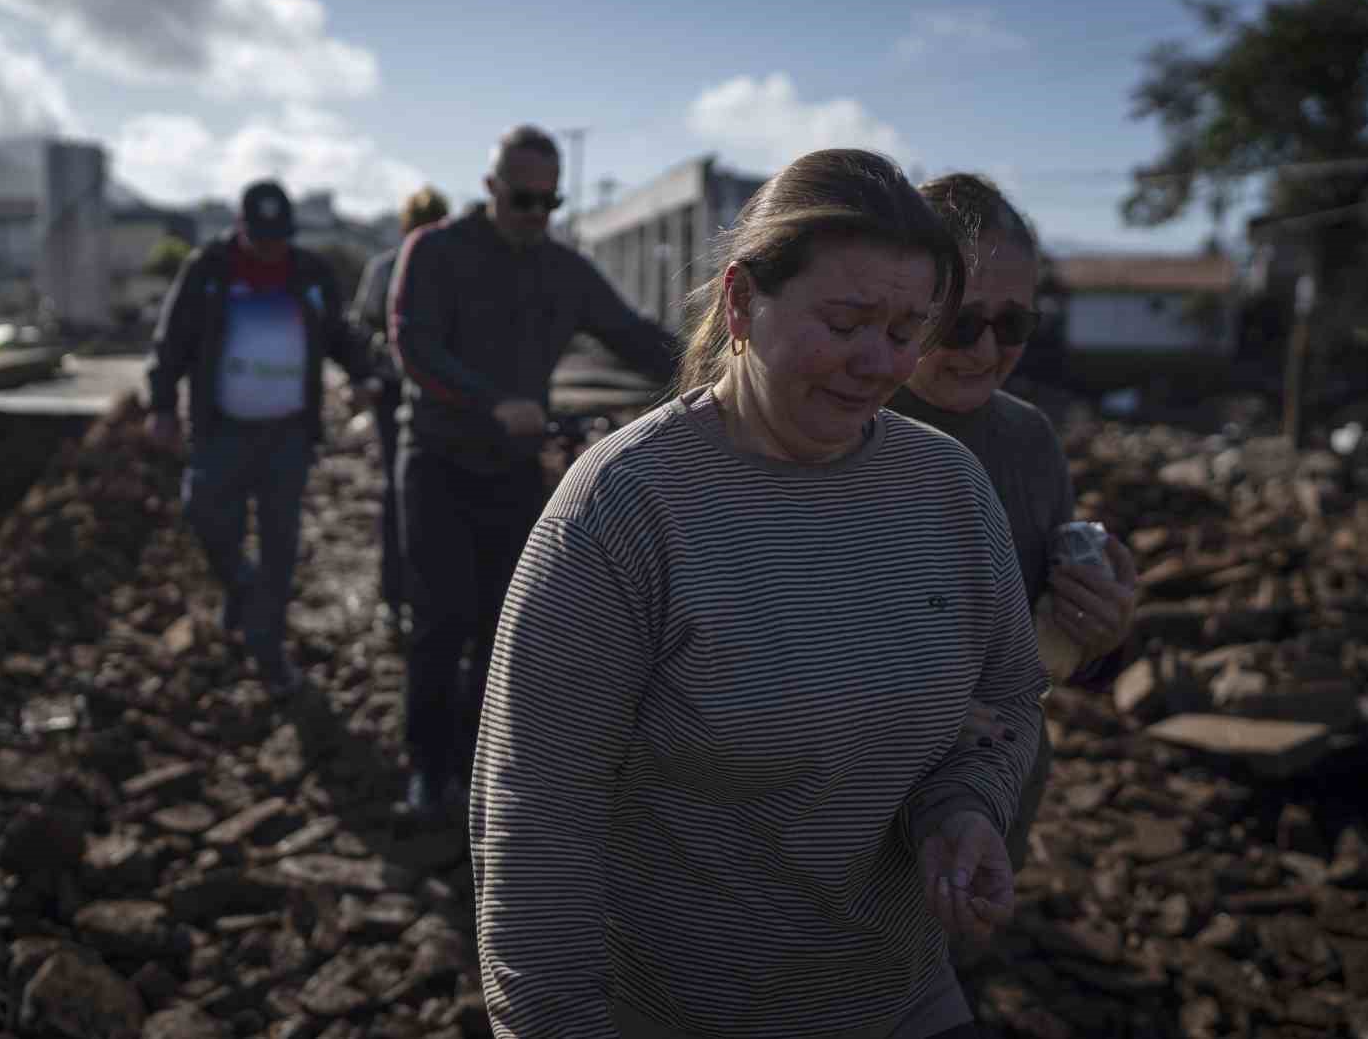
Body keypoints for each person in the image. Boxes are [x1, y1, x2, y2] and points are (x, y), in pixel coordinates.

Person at [469, 149, 1045, 1039]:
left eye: (905, 330)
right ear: (741, 302)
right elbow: (538, 819)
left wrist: (966, 809)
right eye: (846, 320)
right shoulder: (626, 509)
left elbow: (1005, 691)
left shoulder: (947, 491)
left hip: (894, 995)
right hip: (672, 1012)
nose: (876, 361)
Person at [389, 125, 679, 812]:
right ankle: (428, 769)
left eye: (550, 203)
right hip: (437, 462)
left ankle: (482, 763)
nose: (536, 216)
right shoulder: (434, 253)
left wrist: (721, 373)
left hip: (513, 474)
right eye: (523, 200)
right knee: (439, 620)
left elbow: (632, 335)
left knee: (505, 625)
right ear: (490, 188)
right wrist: (492, 402)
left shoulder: (564, 271)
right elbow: (414, 345)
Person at [890, 173, 1139, 871]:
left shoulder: (1030, 441)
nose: (985, 349)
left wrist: (1104, 633)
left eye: (1014, 324)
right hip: (847, 809)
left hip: (995, 796)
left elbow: (1042, 661)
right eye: (960, 323)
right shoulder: (837, 424)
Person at [145, 179, 375, 695]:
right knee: (203, 512)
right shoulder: (208, 270)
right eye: (262, 237)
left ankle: (268, 651)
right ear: (240, 228)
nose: (272, 247)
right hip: (221, 427)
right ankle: (242, 589)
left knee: (280, 541)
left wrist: (362, 373)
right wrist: (161, 404)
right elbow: (173, 339)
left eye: (280, 237)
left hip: (288, 433)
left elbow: (337, 332)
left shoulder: (310, 273)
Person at [347, 185, 451, 638]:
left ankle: (409, 598)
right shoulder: (397, 267)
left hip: (419, 392)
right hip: (411, 391)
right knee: (406, 492)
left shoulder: (386, 267)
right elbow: (363, 328)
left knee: (405, 491)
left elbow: (361, 325)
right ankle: (403, 598)